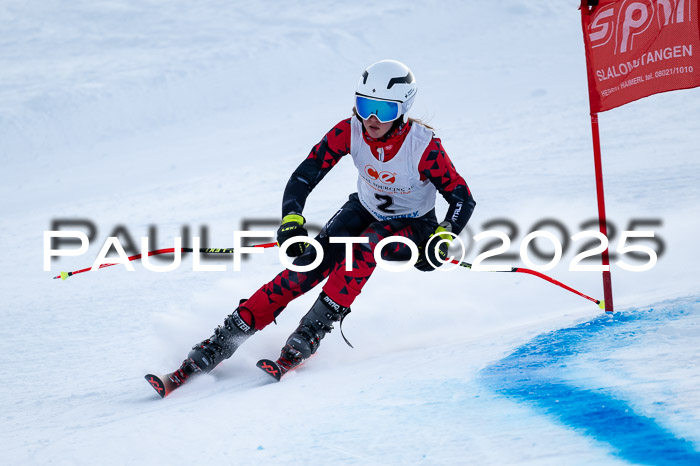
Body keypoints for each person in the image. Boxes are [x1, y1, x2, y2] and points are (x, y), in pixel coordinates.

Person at [168, 59, 475, 386]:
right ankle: (221, 342)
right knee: (304, 267)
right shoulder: (350, 131)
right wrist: (291, 220)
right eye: (364, 105)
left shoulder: (422, 147)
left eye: (383, 111)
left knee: (367, 245)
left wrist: (444, 236)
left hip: (414, 226)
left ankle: (309, 334)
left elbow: (461, 197)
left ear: (402, 109)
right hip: (365, 208)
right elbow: (304, 175)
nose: (371, 118)